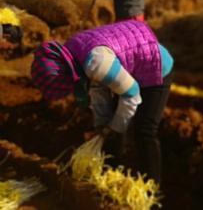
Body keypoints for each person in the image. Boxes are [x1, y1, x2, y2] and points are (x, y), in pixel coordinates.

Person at [30, 19, 174, 184]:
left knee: (144, 130)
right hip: (128, 68)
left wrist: (114, 128)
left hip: (155, 66)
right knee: (111, 124)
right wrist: (102, 125)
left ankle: (150, 189)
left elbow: (132, 94)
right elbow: (98, 87)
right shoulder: (71, 54)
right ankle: (109, 178)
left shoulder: (96, 62)